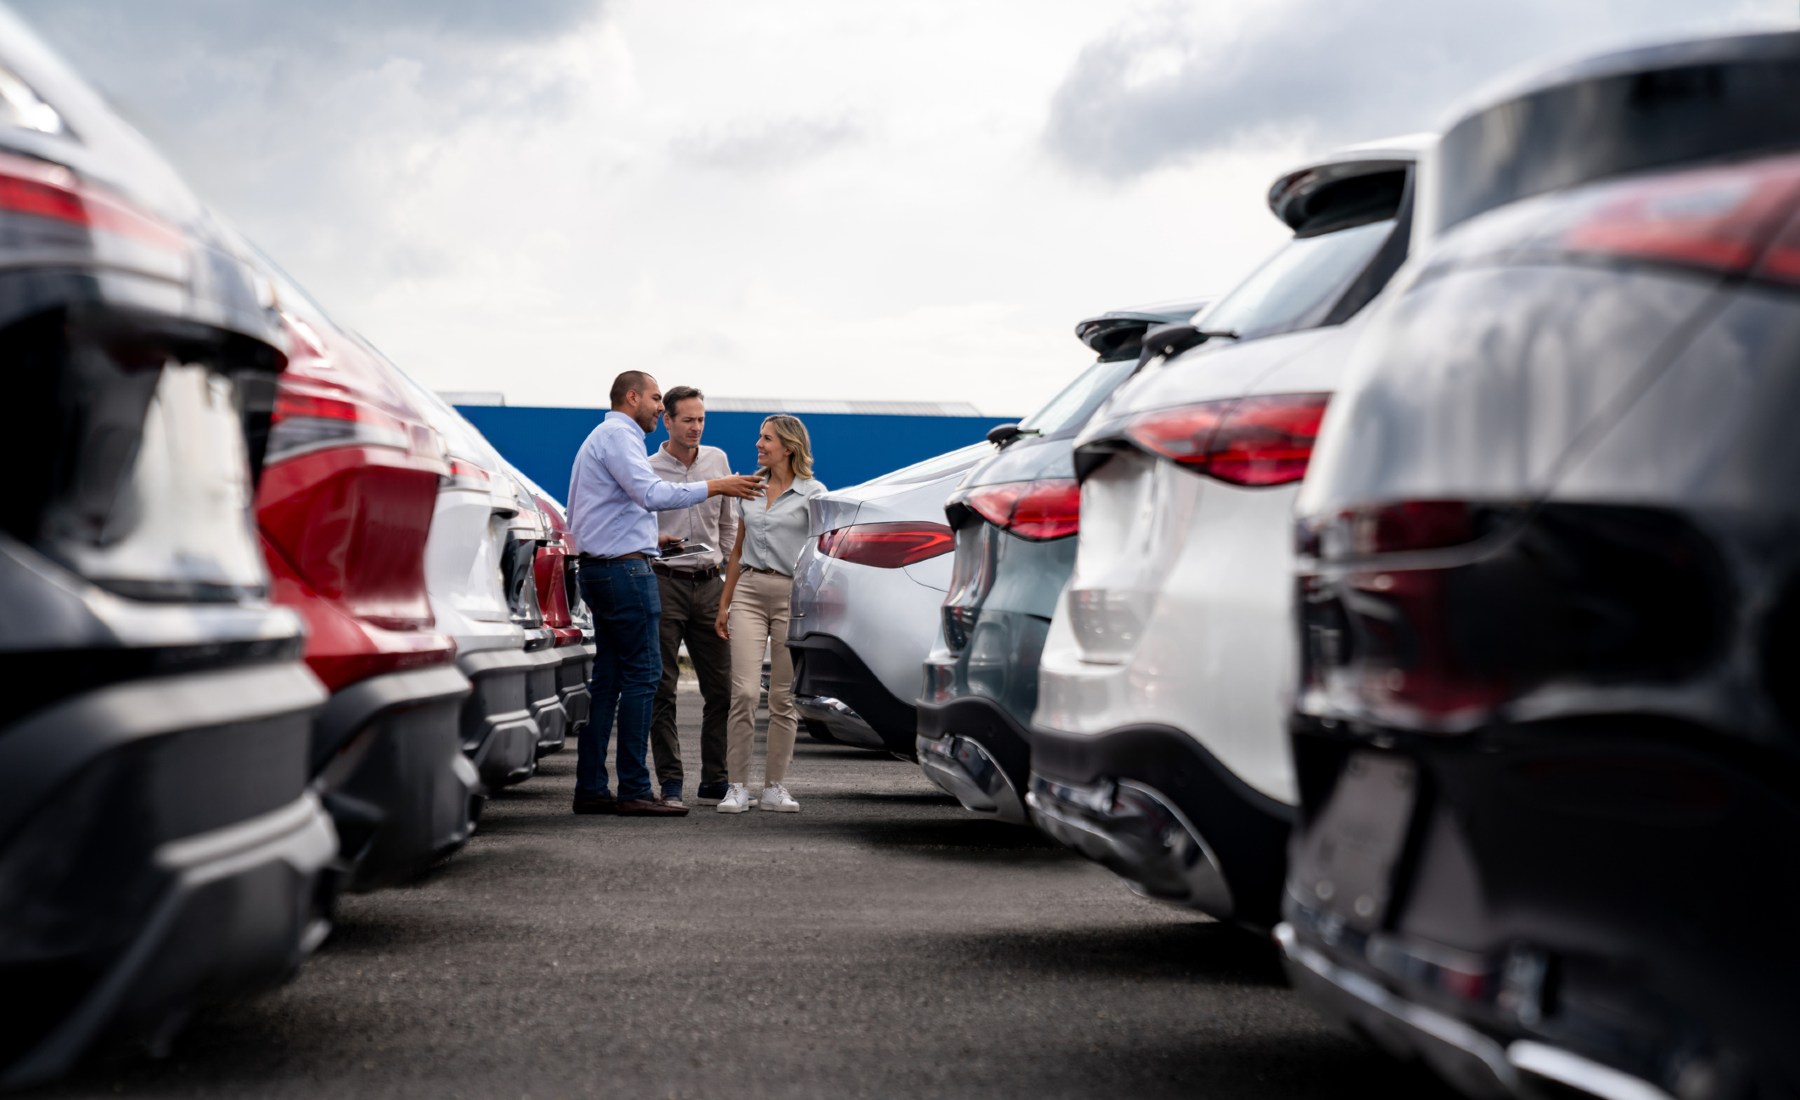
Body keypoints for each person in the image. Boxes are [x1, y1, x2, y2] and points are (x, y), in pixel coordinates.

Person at [567, 371, 762, 817]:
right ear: (631, 397)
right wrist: (718, 485)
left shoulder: (603, 437)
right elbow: (650, 493)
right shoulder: (620, 437)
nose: (659, 406)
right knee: (646, 678)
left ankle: (592, 787)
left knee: (610, 680)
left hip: (607, 568)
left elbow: (601, 510)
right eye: (656, 398)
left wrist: (652, 540)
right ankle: (636, 788)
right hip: (626, 573)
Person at [713, 414, 826, 814]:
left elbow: (820, 554)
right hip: (748, 591)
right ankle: (737, 787)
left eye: (767, 439)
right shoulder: (748, 488)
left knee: (782, 697)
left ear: (789, 447)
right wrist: (724, 603)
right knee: (743, 693)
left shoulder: (814, 494)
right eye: (760, 437)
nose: (758, 444)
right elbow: (737, 551)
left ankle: (775, 787)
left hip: (791, 597)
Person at [647, 385, 735, 807]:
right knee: (661, 688)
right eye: (687, 419)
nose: (696, 427)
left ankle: (715, 779)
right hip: (665, 582)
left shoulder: (717, 461)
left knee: (722, 689)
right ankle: (671, 781)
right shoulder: (647, 469)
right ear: (667, 420)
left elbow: (728, 524)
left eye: (701, 419)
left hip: (711, 583)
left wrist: (729, 582)